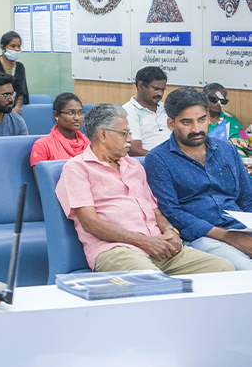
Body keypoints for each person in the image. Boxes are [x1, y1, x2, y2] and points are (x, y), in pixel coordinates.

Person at [56, 103, 233, 274]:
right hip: (117, 249)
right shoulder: (77, 168)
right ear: (103, 134)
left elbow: (156, 212)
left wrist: (170, 231)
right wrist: (144, 242)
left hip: (158, 245)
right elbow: (90, 223)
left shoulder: (134, 166)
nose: (130, 139)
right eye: (124, 133)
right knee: (151, 281)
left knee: (224, 269)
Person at [145, 87, 252, 270]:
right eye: (186, 122)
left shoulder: (227, 150)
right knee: (246, 272)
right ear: (171, 123)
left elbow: (247, 199)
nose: (196, 129)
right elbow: (172, 212)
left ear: (208, 117)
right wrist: (228, 236)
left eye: (201, 120)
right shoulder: (158, 158)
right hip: (201, 236)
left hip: (240, 228)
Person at [30, 93, 90, 169]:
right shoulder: (42, 145)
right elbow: (41, 176)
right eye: (71, 113)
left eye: (80, 113)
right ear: (56, 115)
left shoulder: (88, 143)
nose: (77, 118)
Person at [122, 66, 170, 156]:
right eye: (156, 89)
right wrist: (162, 159)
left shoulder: (166, 108)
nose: (160, 94)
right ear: (140, 85)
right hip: (149, 160)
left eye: (162, 90)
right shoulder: (128, 111)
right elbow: (134, 150)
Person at [0, 31, 29, 113]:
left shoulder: (19, 67)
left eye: (19, 46)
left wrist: (17, 108)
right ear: (3, 47)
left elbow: (21, 92)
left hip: (13, 108)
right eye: (13, 46)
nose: (17, 49)